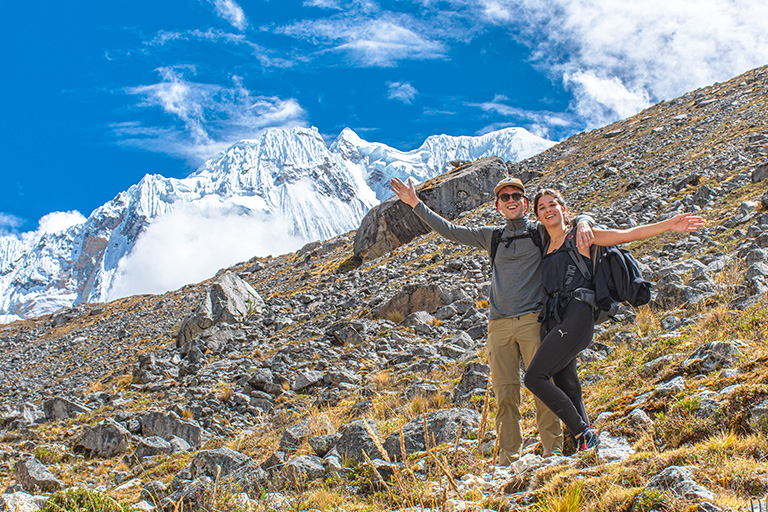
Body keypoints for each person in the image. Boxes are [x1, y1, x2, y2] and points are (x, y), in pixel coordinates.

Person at [390, 176, 594, 463]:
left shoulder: (540, 232)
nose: (511, 200)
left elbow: (566, 221)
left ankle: (553, 453)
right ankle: (509, 458)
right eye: (505, 197)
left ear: (525, 204)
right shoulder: (492, 236)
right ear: (498, 206)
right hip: (498, 325)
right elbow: (450, 231)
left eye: (516, 196)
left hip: (534, 321)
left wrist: (584, 220)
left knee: (543, 389)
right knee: (505, 394)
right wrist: (415, 204)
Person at [525, 188, 704, 451]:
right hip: (553, 317)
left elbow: (628, 234)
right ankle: (586, 447)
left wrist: (669, 225)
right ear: (538, 216)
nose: (548, 210)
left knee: (534, 377)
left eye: (553, 204)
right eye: (542, 207)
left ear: (564, 209)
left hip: (577, 313)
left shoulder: (582, 236)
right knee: (566, 381)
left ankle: (582, 433)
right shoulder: (542, 242)